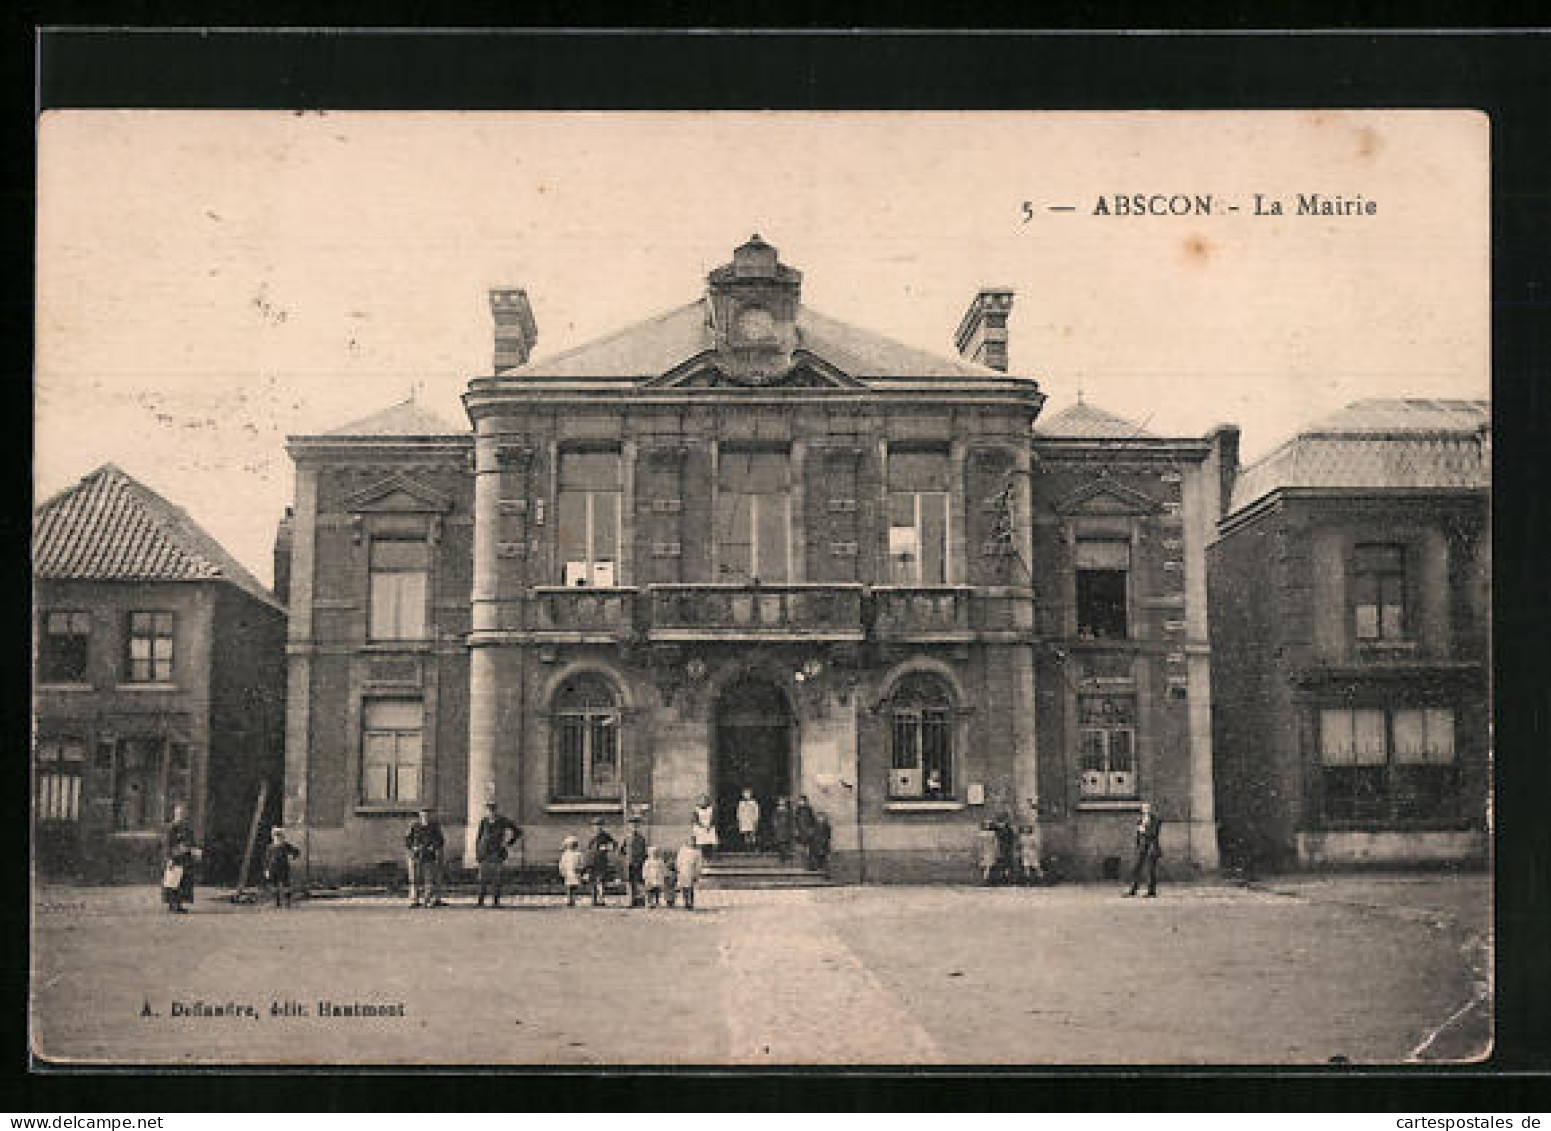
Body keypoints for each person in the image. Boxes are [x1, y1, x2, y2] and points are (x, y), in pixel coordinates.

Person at [474, 799, 522, 908]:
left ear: (496, 809)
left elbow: (517, 831)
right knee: (482, 878)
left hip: (497, 853)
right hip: (484, 853)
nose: (491, 811)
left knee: (497, 878)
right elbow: (479, 837)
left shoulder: (502, 821)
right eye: (489, 809)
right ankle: (480, 901)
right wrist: (477, 852)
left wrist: (509, 843)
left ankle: (495, 901)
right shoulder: (484, 821)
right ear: (486, 810)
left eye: (493, 809)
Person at [405, 807, 446, 908]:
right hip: (416, 856)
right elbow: (407, 840)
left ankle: (427, 900)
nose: (425, 817)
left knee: (429, 879)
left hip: (429, 856)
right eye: (423, 815)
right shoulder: (414, 826)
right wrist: (413, 847)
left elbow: (440, 840)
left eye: (427, 815)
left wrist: (433, 846)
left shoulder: (434, 827)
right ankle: (415, 900)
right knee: (414, 880)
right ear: (420, 816)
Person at [161, 804, 197, 914]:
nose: (181, 816)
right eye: (179, 814)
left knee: (183, 882)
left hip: (185, 859)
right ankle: (173, 904)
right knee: (173, 882)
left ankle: (179, 904)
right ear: (175, 814)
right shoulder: (171, 828)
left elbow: (192, 841)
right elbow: (167, 844)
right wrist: (169, 858)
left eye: (183, 814)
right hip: (175, 859)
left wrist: (193, 849)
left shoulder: (188, 828)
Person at [1125, 802, 1164, 898]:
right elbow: (1138, 835)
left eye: (1148, 808)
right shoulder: (1140, 820)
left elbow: (1154, 833)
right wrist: (1137, 845)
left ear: (1151, 809)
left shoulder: (1156, 820)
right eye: (1144, 808)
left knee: (1151, 870)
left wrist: (1144, 830)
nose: (1146, 810)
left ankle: (1151, 891)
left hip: (1151, 847)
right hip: (1142, 847)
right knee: (1136, 868)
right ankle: (1133, 889)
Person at [263, 826, 301, 908]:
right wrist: (266, 870)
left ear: (282, 836)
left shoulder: (285, 846)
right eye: (276, 835)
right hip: (273, 869)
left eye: (279, 835)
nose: (278, 837)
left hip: (284, 869)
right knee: (274, 886)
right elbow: (267, 859)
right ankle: (276, 902)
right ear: (273, 837)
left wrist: (293, 856)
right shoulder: (270, 847)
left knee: (286, 885)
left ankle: (287, 902)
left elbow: (296, 851)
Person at [584, 816, 618, 907]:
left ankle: (601, 899)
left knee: (601, 881)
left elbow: (614, 845)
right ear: (592, 827)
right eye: (595, 825)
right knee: (592, 881)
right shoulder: (590, 836)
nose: (597, 827)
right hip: (591, 862)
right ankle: (593, 900)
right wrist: (586, 862)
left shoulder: (606, 836)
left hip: (601, 861)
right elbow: (587, 849)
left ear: (603, 826)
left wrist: (607, 848)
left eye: (599, 825)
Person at [619, 815, 648, 908]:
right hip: (629, 863)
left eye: (636, 825)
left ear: (638, 826)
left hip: (639, 863)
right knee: (629, 882)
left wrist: (641, 860)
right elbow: (621, 850)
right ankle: (630, 901)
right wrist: (627, 858)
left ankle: (641, 900)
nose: (634, 827)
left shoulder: (641, 838)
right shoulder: (626, 838)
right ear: (629, 826)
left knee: (639, 882)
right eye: (632, 825)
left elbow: (644, 851)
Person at [674, 838, 705, 910]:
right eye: (691, 841)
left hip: (691, 870)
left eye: (694, 841)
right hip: (683, 870)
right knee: (684, 887)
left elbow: (699, 863)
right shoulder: (683, 850)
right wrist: (678, 868)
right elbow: (679, 860)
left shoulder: (697, 852)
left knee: (690, 887)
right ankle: (685, 902)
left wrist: (697, 872)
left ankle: (690, 902)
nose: (692, 843)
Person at [558, 836, 585, 907]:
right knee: (569, 886)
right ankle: (569, 899)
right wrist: (562, 870)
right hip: (568, 871)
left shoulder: (578, 854)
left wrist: (580, 869)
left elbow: (581, 862)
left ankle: (572, 899)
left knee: (574, 886)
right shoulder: (565, 854)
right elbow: (562, 863)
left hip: (575, 871)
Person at [691, 794, 718, 860]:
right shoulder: (696, 809)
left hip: (709, 826)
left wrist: (709, 825)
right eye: (701, 800)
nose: (703, 801)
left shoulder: (710, 809)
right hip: (700, 827)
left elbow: (713, 818)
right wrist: (702, 826)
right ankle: (701, 857)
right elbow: (695, 819)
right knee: (701, 841)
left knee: (712, 841)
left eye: (704, 800)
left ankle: (712, 856)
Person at [793, 795, 817, 866]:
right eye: (800, 801)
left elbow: (813, 820)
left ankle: (809, 863)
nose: (801, 802)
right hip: (801, 830)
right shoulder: (798, 810)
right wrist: (796, 830)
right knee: (801, 846)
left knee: (808, 847)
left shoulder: (809, 810)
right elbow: (795, 820)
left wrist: (811, 829)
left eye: (803, 801)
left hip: (807, 830)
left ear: (806, 802)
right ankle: (802, 862)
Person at [771, 796, 795, 864]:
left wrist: (791, 828)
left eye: (783, 801)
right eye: (780, 801)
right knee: (780, 842)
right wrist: (775, 824)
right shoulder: (776, 810)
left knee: (785, 842)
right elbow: (774, 819)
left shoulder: (788, 810)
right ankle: (782, 856)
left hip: (786, 828)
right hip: (779, 828)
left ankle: (784, 856)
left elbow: (791, 819)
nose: (781, 802)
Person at [736, 786, 761, 851]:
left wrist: (756, 819)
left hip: (751, 819)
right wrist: (739, 819)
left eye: (748, 794)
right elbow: (739, 812)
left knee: (752, 834)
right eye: (745, 794)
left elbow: (756, 811)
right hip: (744, 820)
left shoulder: (754, 802)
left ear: (751, 794)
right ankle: (747, 849)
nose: (746, 795)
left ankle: (754, 847)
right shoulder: (741, 803)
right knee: (746, 834)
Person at [976, 821, 1000, 885]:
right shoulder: (981, 834)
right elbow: (979, 843)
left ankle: (987, 879)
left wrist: (996, 851)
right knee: (984, 865)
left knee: (989, 865)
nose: (987, 826)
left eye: (988, 824)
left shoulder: (993, 833)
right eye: (986, 824)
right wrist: (980, 851)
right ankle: (985, 879)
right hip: (984, 850)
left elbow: (995, 843)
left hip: (990, 850)